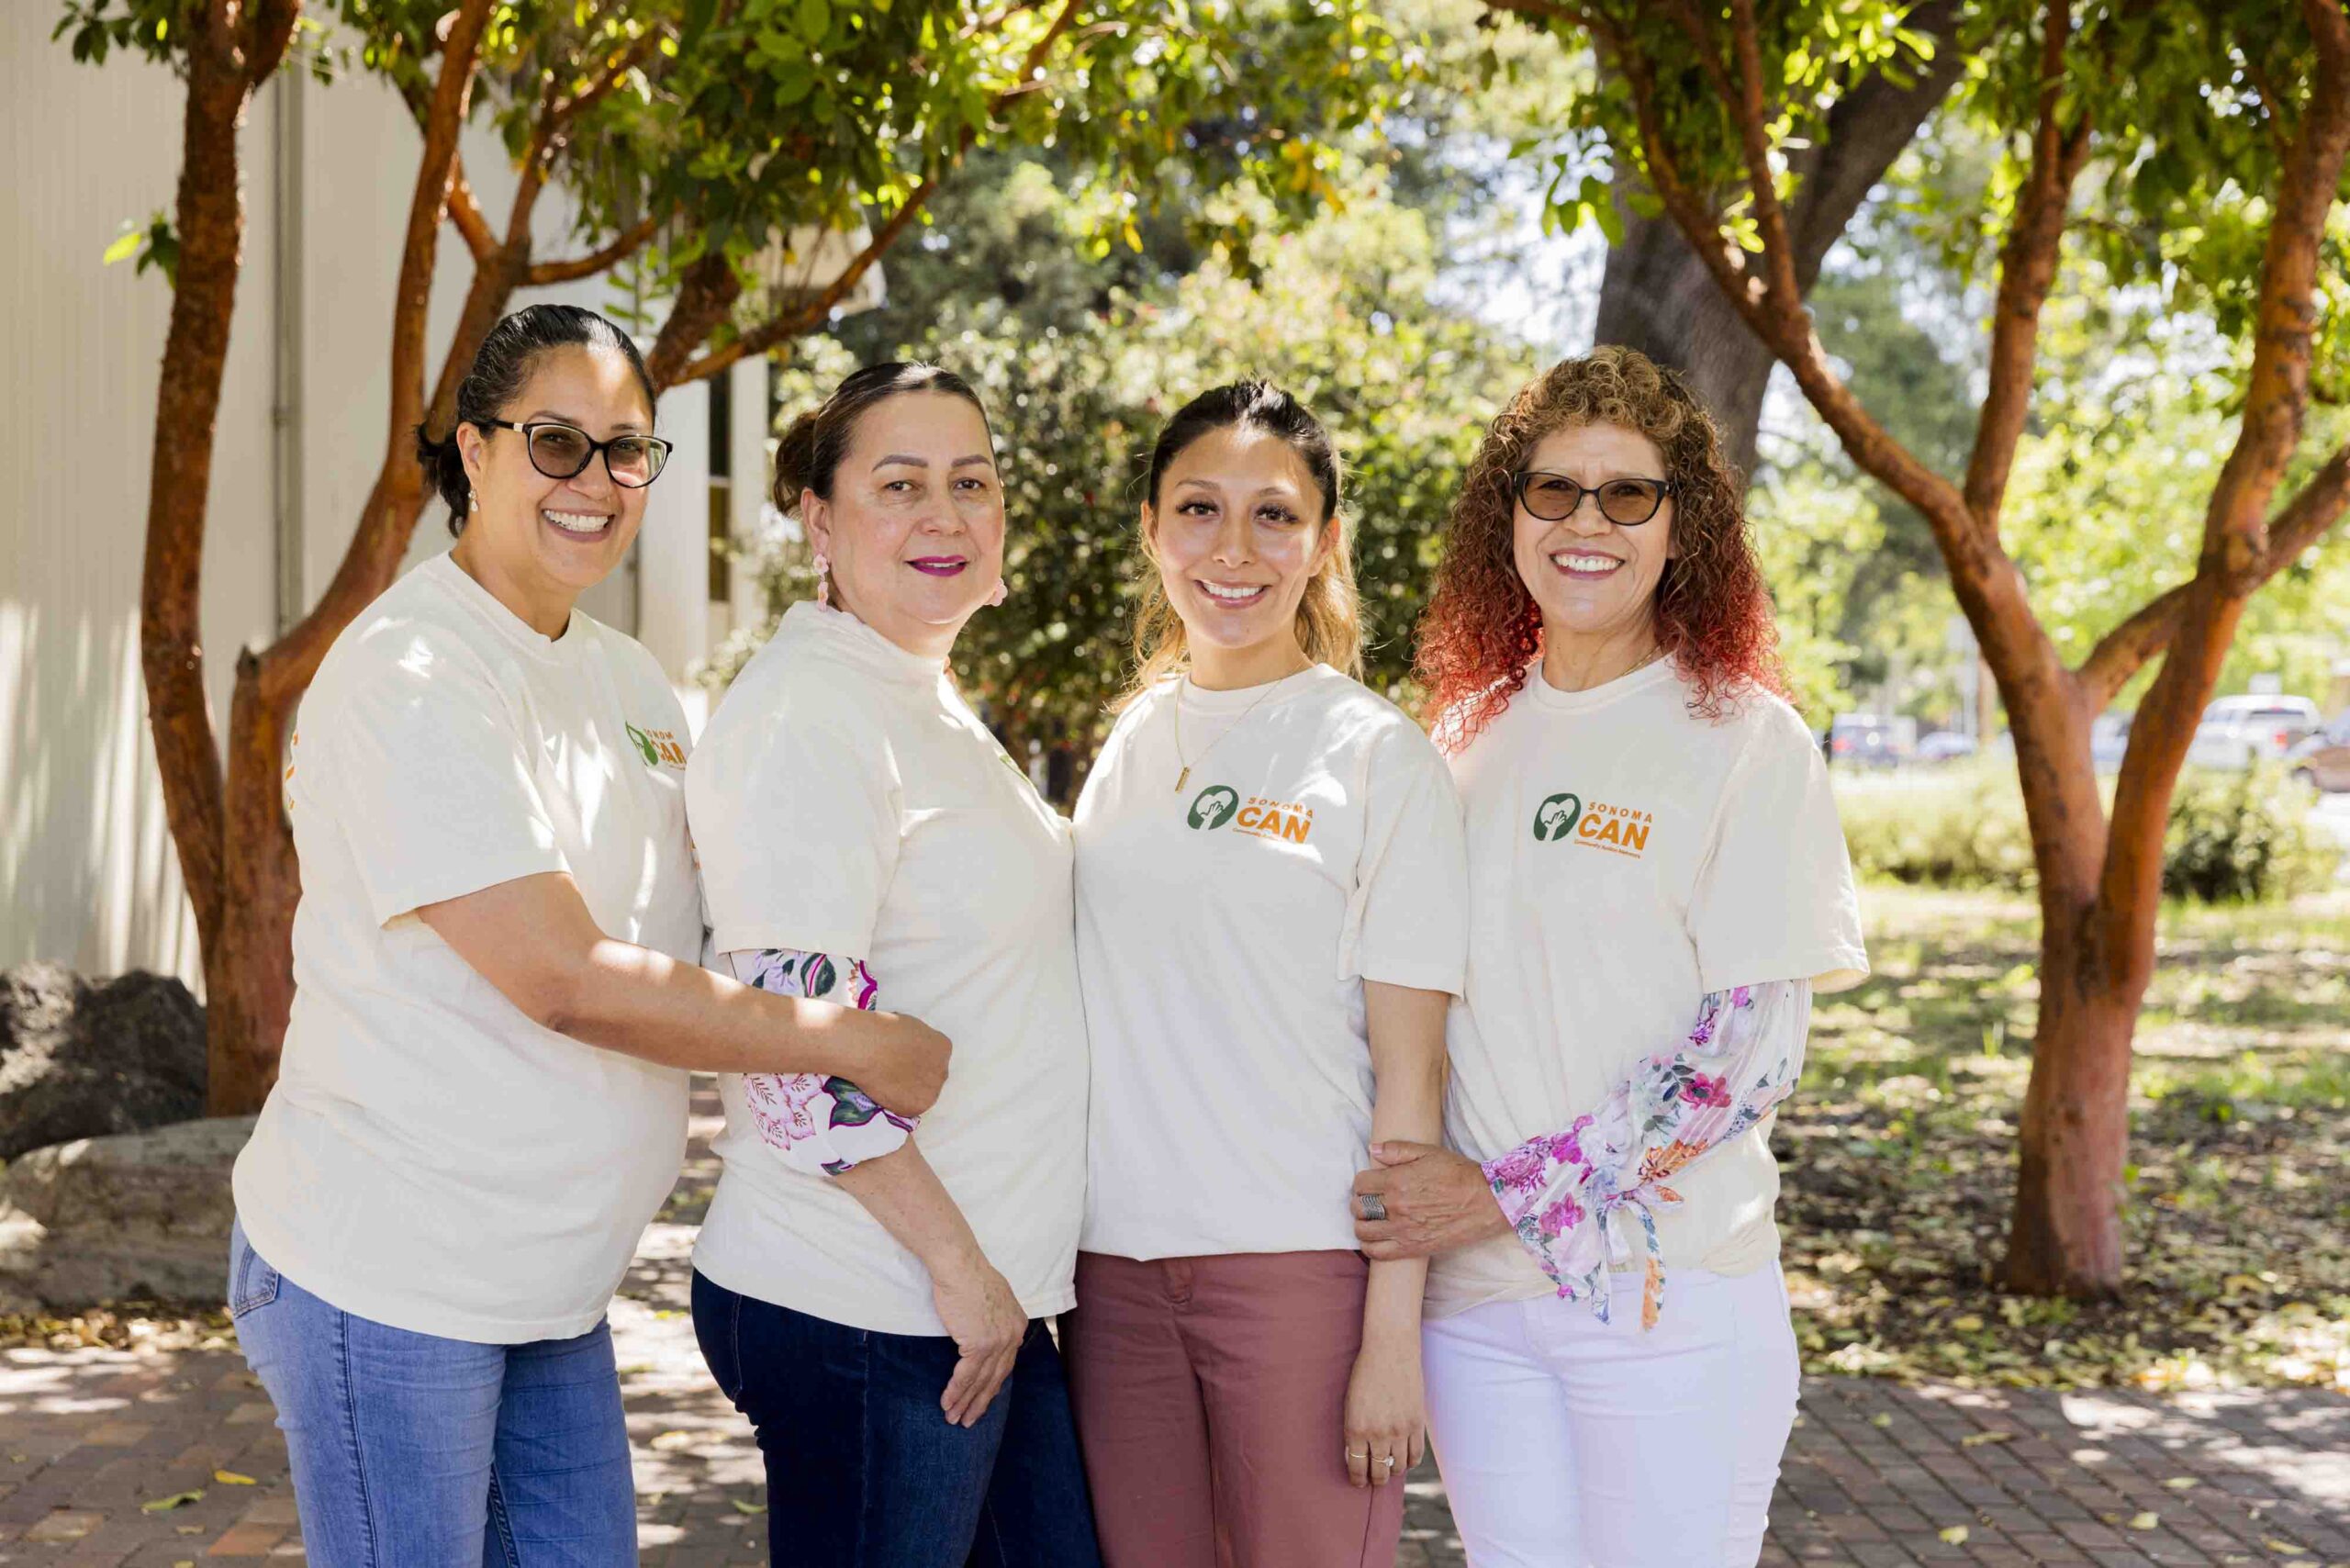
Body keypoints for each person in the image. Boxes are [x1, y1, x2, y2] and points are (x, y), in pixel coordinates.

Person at [229, 305, 949, 1562]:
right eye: (558, 442)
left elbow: (726, 912)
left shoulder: (625, 679)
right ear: (472, 450)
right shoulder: (414, 672)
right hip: (391, 1277)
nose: (598, 481)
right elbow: (562, 978)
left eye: (629, 450)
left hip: (552, 1292)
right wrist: (845, 1041)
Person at [1351, 346, 1868, 1568]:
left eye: (1628, 494)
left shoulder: (1745, 740)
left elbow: (1745, 1058)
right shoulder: (1459, 737)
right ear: (1508, 515)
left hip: (1668, 1302)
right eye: (1555, 490)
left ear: (1681, 528)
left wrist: (1494, 1191)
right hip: (1477, 1314)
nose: (1588, 523)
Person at [683, 363, 1098, 1568]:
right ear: (819, 518)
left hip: (973, 1302)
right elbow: (789, 1055)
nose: (945, 515)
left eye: (970, 482)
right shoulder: (809, 716)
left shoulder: (915, 694)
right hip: (874, 1303)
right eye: (899, 484)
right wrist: (961, 1273)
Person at [1063, 382, 1468, 1568]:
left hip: (1299, 1273)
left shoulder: (1377, 756)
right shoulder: (1130, 744)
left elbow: (1415, 1073)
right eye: (1199, 509)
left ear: (1325, 542)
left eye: (1274, 516)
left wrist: (1391, 1337)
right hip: (1111, 1275)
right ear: (1150, 529)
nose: (1233, 550)